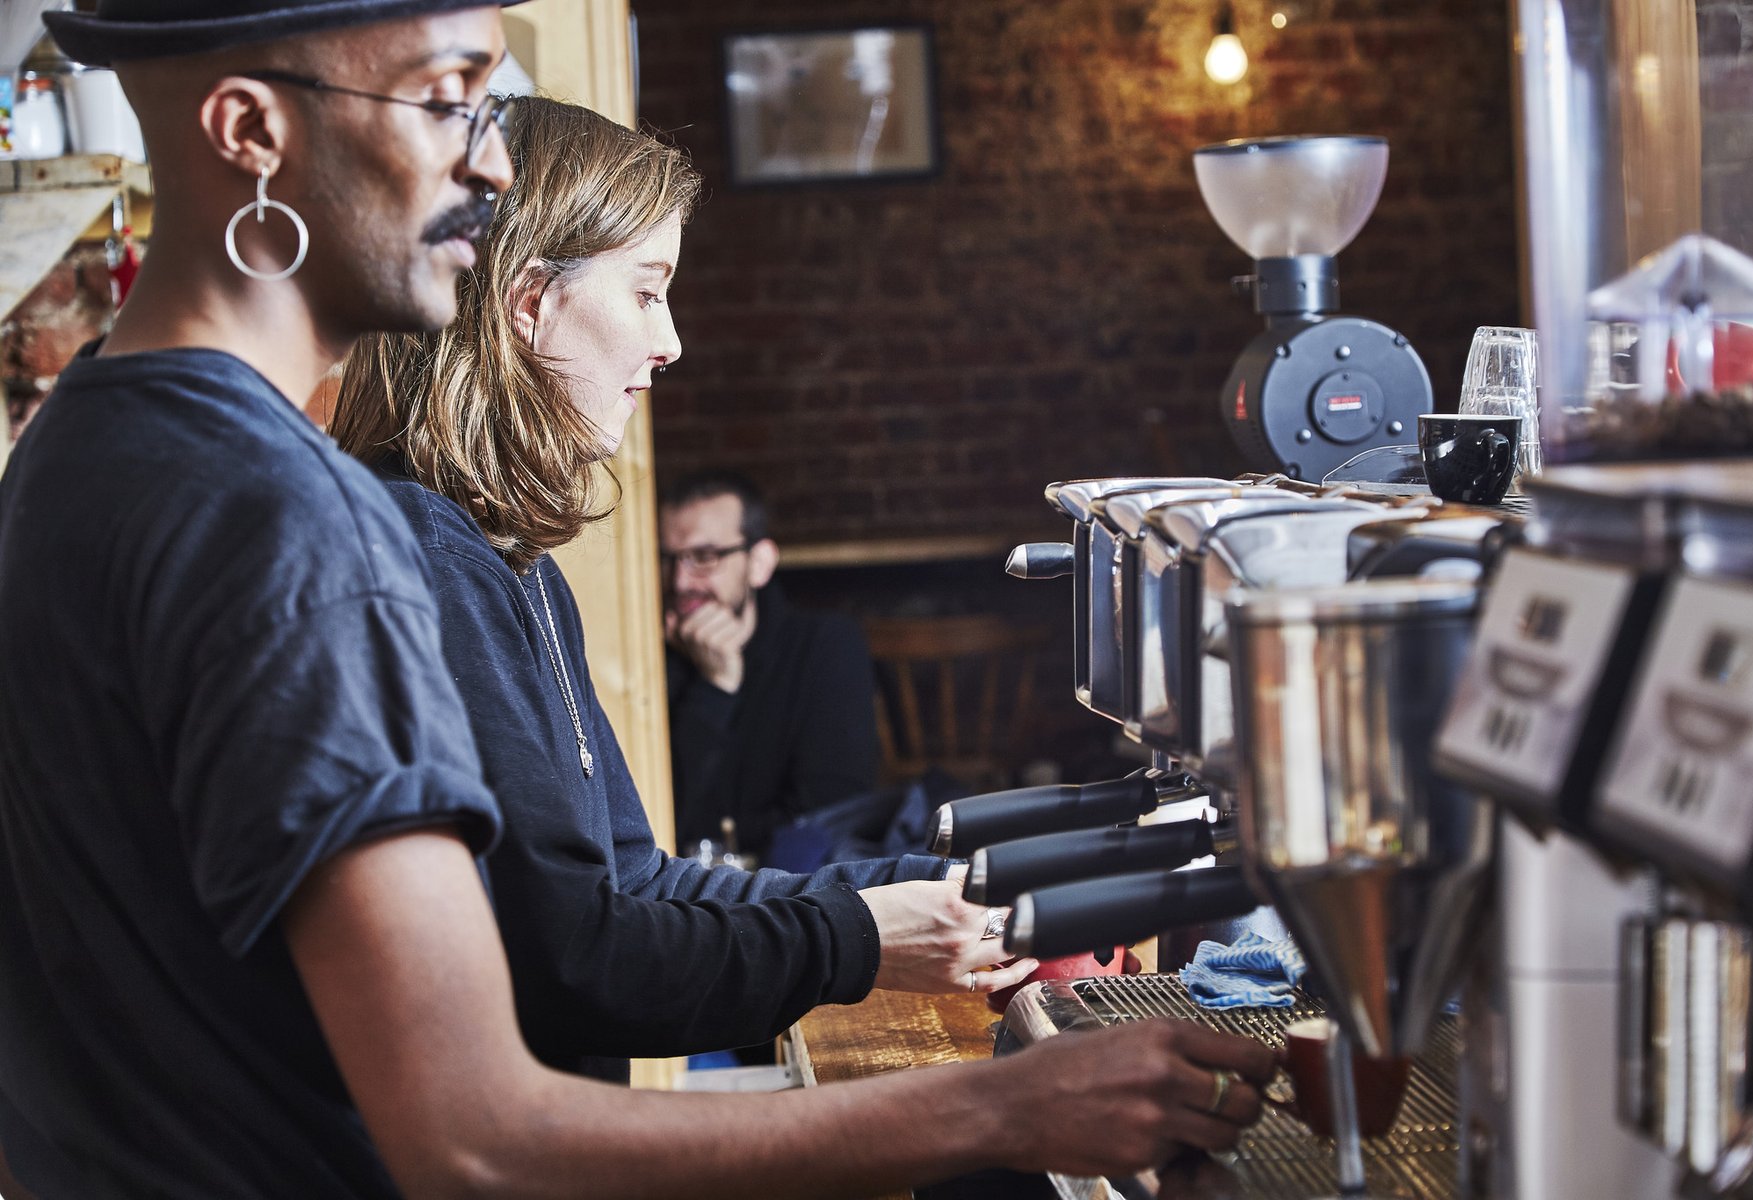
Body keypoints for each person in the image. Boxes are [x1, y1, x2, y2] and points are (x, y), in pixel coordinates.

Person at [0, 4, 1276, 1197]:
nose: (491, 171)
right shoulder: (290, 521)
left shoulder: (76, 453)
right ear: (252, 134)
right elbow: (475, 1134)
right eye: (448, 101)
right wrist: (1000, 1113)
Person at [332, 96, 1036, 1080]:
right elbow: (580, 963)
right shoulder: (423, 559)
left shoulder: (512, 562)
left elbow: (638, 884)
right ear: (529, 303)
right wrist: (859, 939)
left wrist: (934, 884)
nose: (670, 343)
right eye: (647, 291)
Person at [661, 470, 883, 861]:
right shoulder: (651, 661)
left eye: (704, 557)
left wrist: (712, 831)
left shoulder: (825, 646)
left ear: (759, 563)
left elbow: (833, 813)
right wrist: (713, 691)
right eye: (667, 558)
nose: (680, 581)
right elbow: (658, 817)